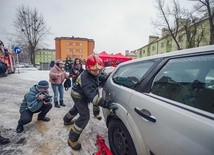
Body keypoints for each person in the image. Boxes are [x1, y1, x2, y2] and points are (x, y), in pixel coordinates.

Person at [63, 54, 117, 151]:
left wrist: (107, 78)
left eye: (99, 69)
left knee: (76, 108)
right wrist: (107, 104)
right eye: (94, 70)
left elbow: (98, 77)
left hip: (81, 93)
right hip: (78, 95)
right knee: (84, 116)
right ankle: (72, 139)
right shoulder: (86, 78)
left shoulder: (92, 73)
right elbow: (94, 98)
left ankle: (66, 120)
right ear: (88, 68)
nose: (97, 72)